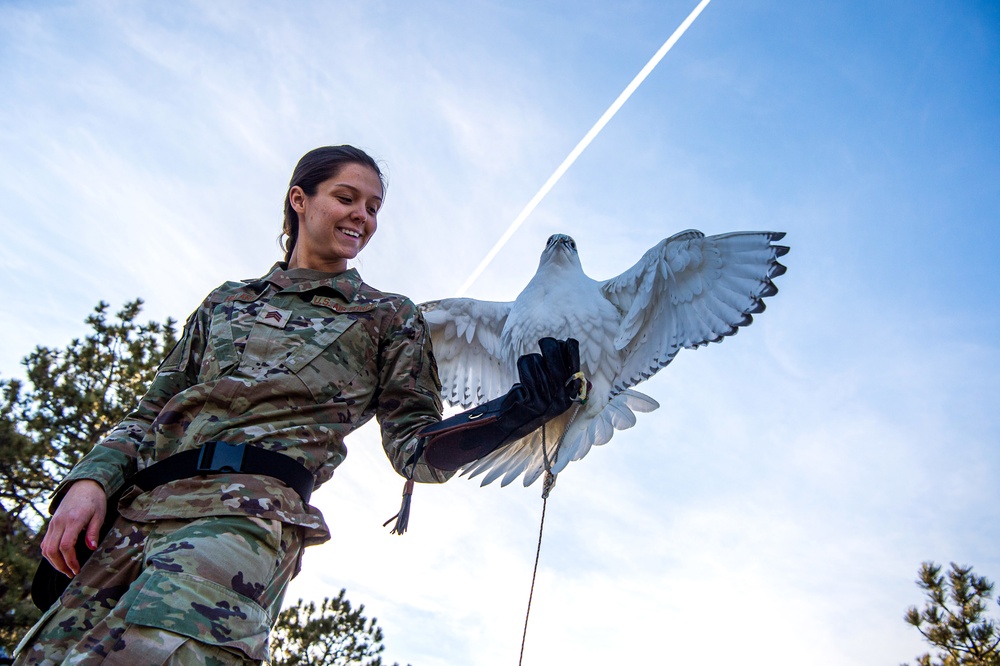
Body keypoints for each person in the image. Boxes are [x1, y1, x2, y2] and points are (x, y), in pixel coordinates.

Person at [14, 145, 582, 665]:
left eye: (374, 207)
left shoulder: (387, 317)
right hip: (136, 513)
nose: (363, 215)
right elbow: (149, 412)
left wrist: (514, 414)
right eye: (346, 197)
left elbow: (416, 452)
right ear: (299, 200)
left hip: (243, 520)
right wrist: (88, 484)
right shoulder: (227, 301)